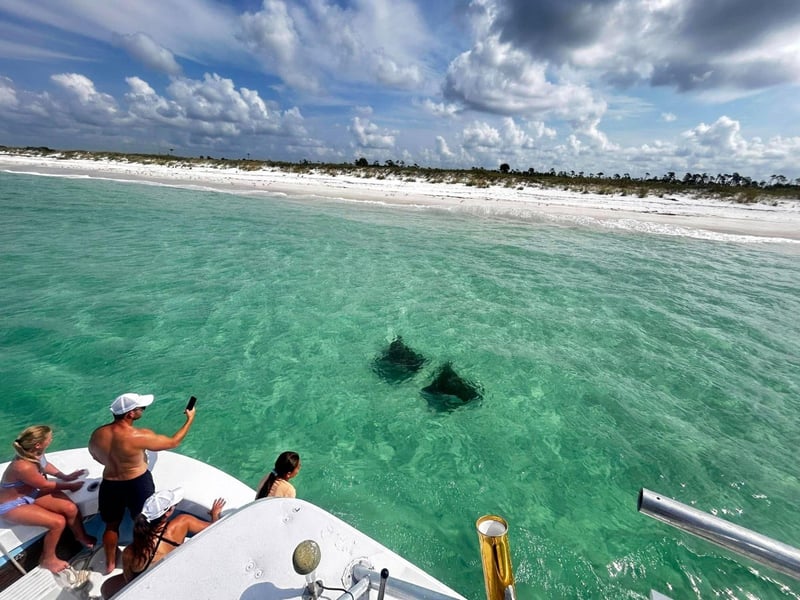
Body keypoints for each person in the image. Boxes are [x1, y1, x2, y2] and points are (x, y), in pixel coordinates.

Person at [88, 392, 196, 574]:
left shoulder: (98, 434)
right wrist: (189, 419)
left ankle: (110, 563)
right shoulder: (139, 436)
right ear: (130, 414)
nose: (143, 411)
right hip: (137, 483)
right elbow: (174, 442)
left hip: (110, 484)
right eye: (141, 408)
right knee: (145, 524)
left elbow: (94, 454)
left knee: (111, 526)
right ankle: (145, 559)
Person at [0, 425, 95, 573]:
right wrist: (70, 485)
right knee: (58, 522)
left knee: (70, 508)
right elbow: (45, 485)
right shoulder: (23, 466)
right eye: (49, 438)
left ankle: (80, 536)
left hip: (31, 493)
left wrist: (65, 476)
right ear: (38, 444)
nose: (52, 439)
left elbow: (45, 466)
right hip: (12, 505)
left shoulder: (35, 453)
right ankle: (47, 559)